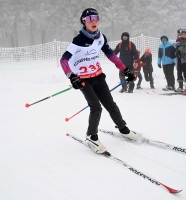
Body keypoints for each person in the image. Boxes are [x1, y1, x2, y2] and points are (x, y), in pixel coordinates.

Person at [60, 8, 141, 154]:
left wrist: (125, 69)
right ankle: (91, 136)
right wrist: (71, 76)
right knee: (96, 107)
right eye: (90, 18)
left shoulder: (100, 37)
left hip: (98, 76)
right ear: (83, 21)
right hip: (83, 80)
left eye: (96, 18)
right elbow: (63, 60)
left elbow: (111, 56)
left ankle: (123, 129)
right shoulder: (78, 40)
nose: (93, 21)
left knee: (111, 105)